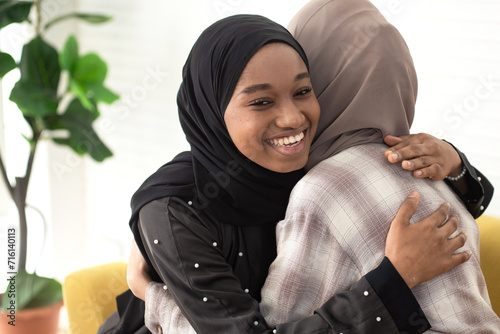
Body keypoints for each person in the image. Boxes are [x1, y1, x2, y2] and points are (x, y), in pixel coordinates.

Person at [104, 14, 489, 334]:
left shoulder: (311, 164)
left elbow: (466, 205)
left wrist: (453, 163)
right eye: (261, 101)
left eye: (303, 91)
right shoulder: (174, 210)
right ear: (212, 111)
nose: (293, 119)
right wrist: (394, 279)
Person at [259, 0, 499, 333]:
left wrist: (161, 298)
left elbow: (277, 323)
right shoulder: (432, 173)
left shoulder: (321, 190)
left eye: (301, 87)